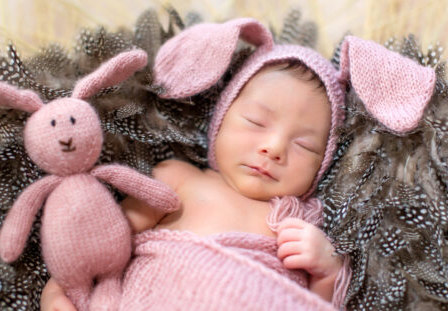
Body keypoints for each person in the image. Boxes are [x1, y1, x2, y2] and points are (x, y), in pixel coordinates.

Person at [42, 19, 350, 311]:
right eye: (256, 122)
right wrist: (60, 287)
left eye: (304, 145)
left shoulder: (302, 223)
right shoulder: (180, 180)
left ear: (322, 162)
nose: (274, 148)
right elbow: (102, 242)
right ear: (221, 119)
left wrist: (327, 273)